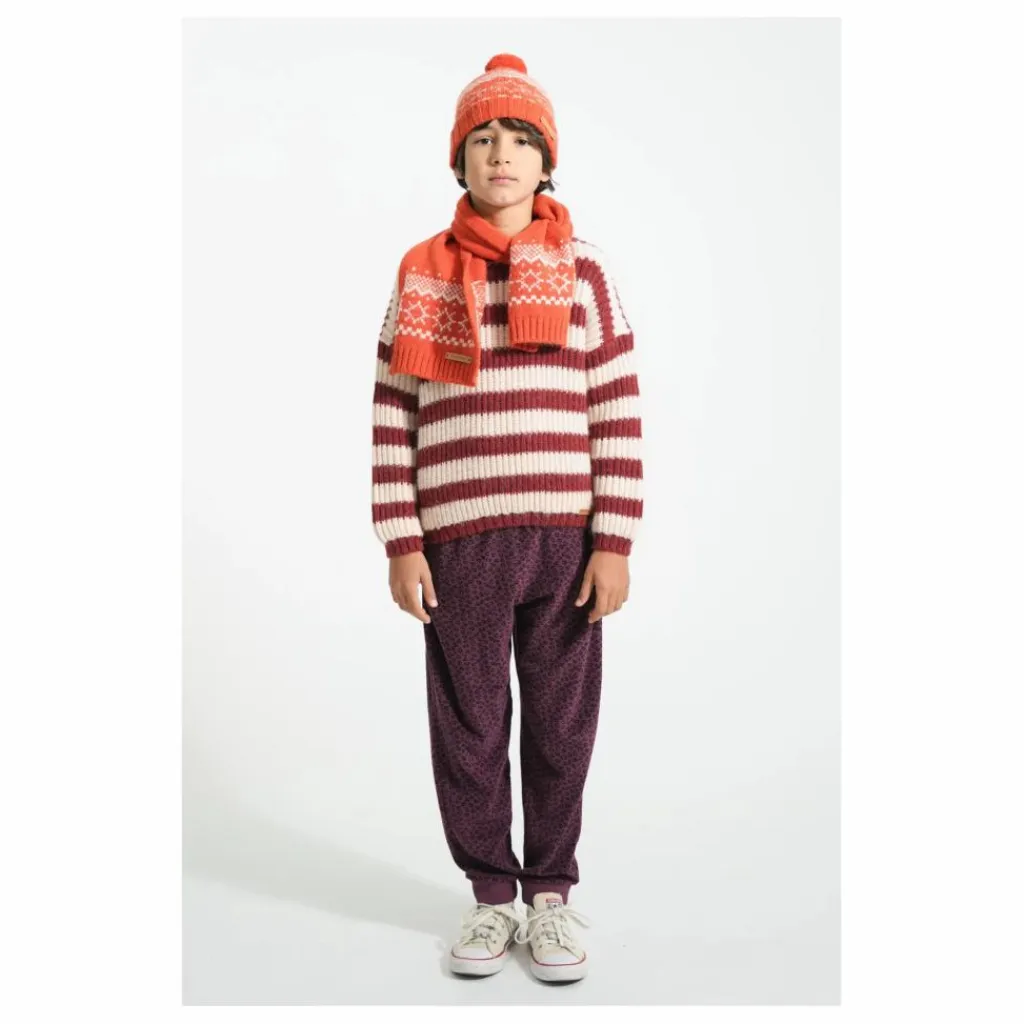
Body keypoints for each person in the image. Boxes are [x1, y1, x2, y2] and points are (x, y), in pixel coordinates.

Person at [369, 53, 644, 983]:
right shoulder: (421, 274)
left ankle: (550, 897)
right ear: (458, 158)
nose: (500, 154)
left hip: (566, 541)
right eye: (482, 138)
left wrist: (614, 540)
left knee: (562, 724)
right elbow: (392, 410)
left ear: (546, 160)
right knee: (471, 723)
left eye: (519, 139)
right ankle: (492, 895)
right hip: (458, 543)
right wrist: (402, 539)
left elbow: (616, 405)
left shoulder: (585, 272)